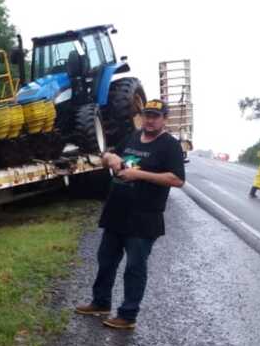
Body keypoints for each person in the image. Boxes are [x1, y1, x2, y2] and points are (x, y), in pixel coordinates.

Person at [75, 100, 186, 330]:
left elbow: (177, 179)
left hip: (144, 217)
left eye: (155, 116)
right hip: (116, 212)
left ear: (164, 118)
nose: (150, 120)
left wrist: (139, 175)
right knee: (105, 260)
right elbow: (110, 155)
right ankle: (100, 302)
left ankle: (127, 315)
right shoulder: (133, 137)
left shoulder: (170, 146)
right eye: (147, 115)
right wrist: (110, 158)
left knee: (134, 267)